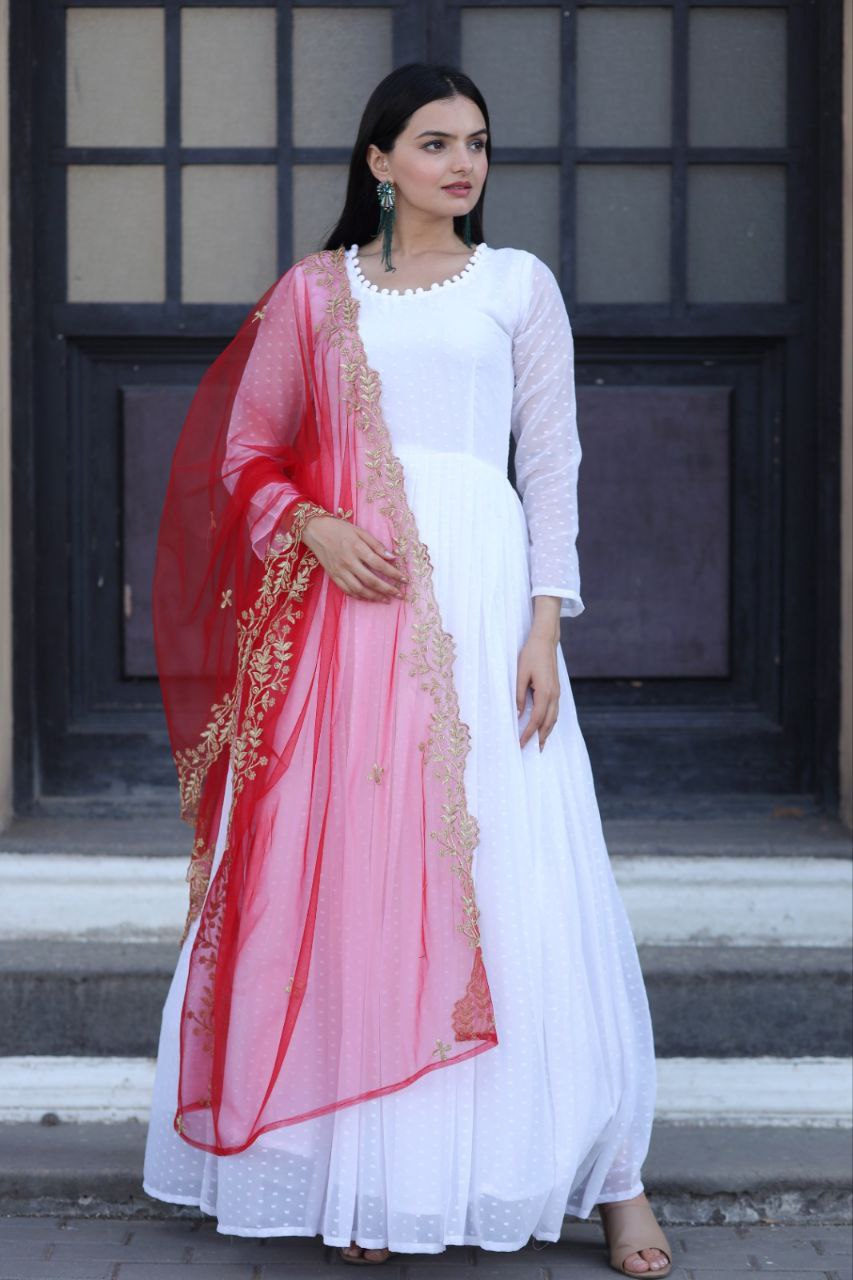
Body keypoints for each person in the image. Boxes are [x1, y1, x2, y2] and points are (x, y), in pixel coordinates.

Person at [143, 62, 672, 1276]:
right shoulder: (317, 295)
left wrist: (546, 624)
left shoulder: (516, 288)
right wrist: (317, 527)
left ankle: (611, 1176)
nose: (462, 164)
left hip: (483, 611)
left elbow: (552, 463)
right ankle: (372, 1171)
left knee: (523, 864)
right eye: (434, 143)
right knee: (366, 875)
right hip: (351, 620)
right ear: (378, 163)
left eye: (476, 143)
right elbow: (246, 453)